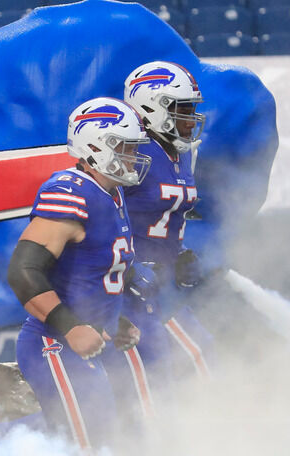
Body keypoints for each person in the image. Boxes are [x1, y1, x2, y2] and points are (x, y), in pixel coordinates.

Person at [6, 97, 150, 456]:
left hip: (91, 340)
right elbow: (23, 271)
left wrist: (114, 321)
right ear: (95, 147)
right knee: (89, 451)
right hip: (54, 343)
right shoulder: (72, 191)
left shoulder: (111, 194)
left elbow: (95, 272)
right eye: (125, 147)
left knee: (111, 437)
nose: (133, 157)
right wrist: (71, 326)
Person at [106, 61, 216, 424]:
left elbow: (166, 215)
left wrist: (180, 252)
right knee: (190, 362)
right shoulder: (131, 152)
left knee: (194, 361)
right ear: (152, 106)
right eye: (182, 110)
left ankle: (191, 446)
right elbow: (101, 213)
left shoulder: (182, 152)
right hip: (124, 287)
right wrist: (126, 265)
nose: (190, 119)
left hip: (159, 287)